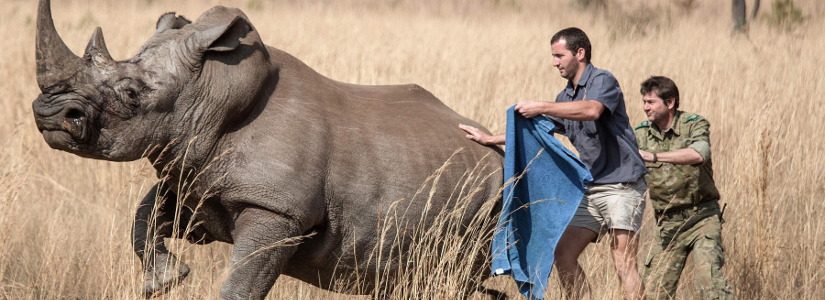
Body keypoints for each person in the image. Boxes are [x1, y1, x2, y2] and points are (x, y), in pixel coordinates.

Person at [459, 27, 647, 300]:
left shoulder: (603, 81)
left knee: (623, 261)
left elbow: (592, 110)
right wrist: (491, 138)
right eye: (553, 56)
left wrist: (541, 106)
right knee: (563, 253)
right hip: (592, 189)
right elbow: (537, 133)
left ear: (580, 53)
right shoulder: (564, 97)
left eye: (559, 55)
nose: (554, 62)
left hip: (623, 187)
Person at [634, 76, 733, 299]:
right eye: (644, 102)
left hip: (702, 218)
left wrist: (653, 156)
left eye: (651, 102)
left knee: (710, 284)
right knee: (655, 292)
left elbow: (699, 153)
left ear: (670, 103)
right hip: (668, 225)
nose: (645, 107)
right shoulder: (640, 133)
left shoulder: (694, 125)